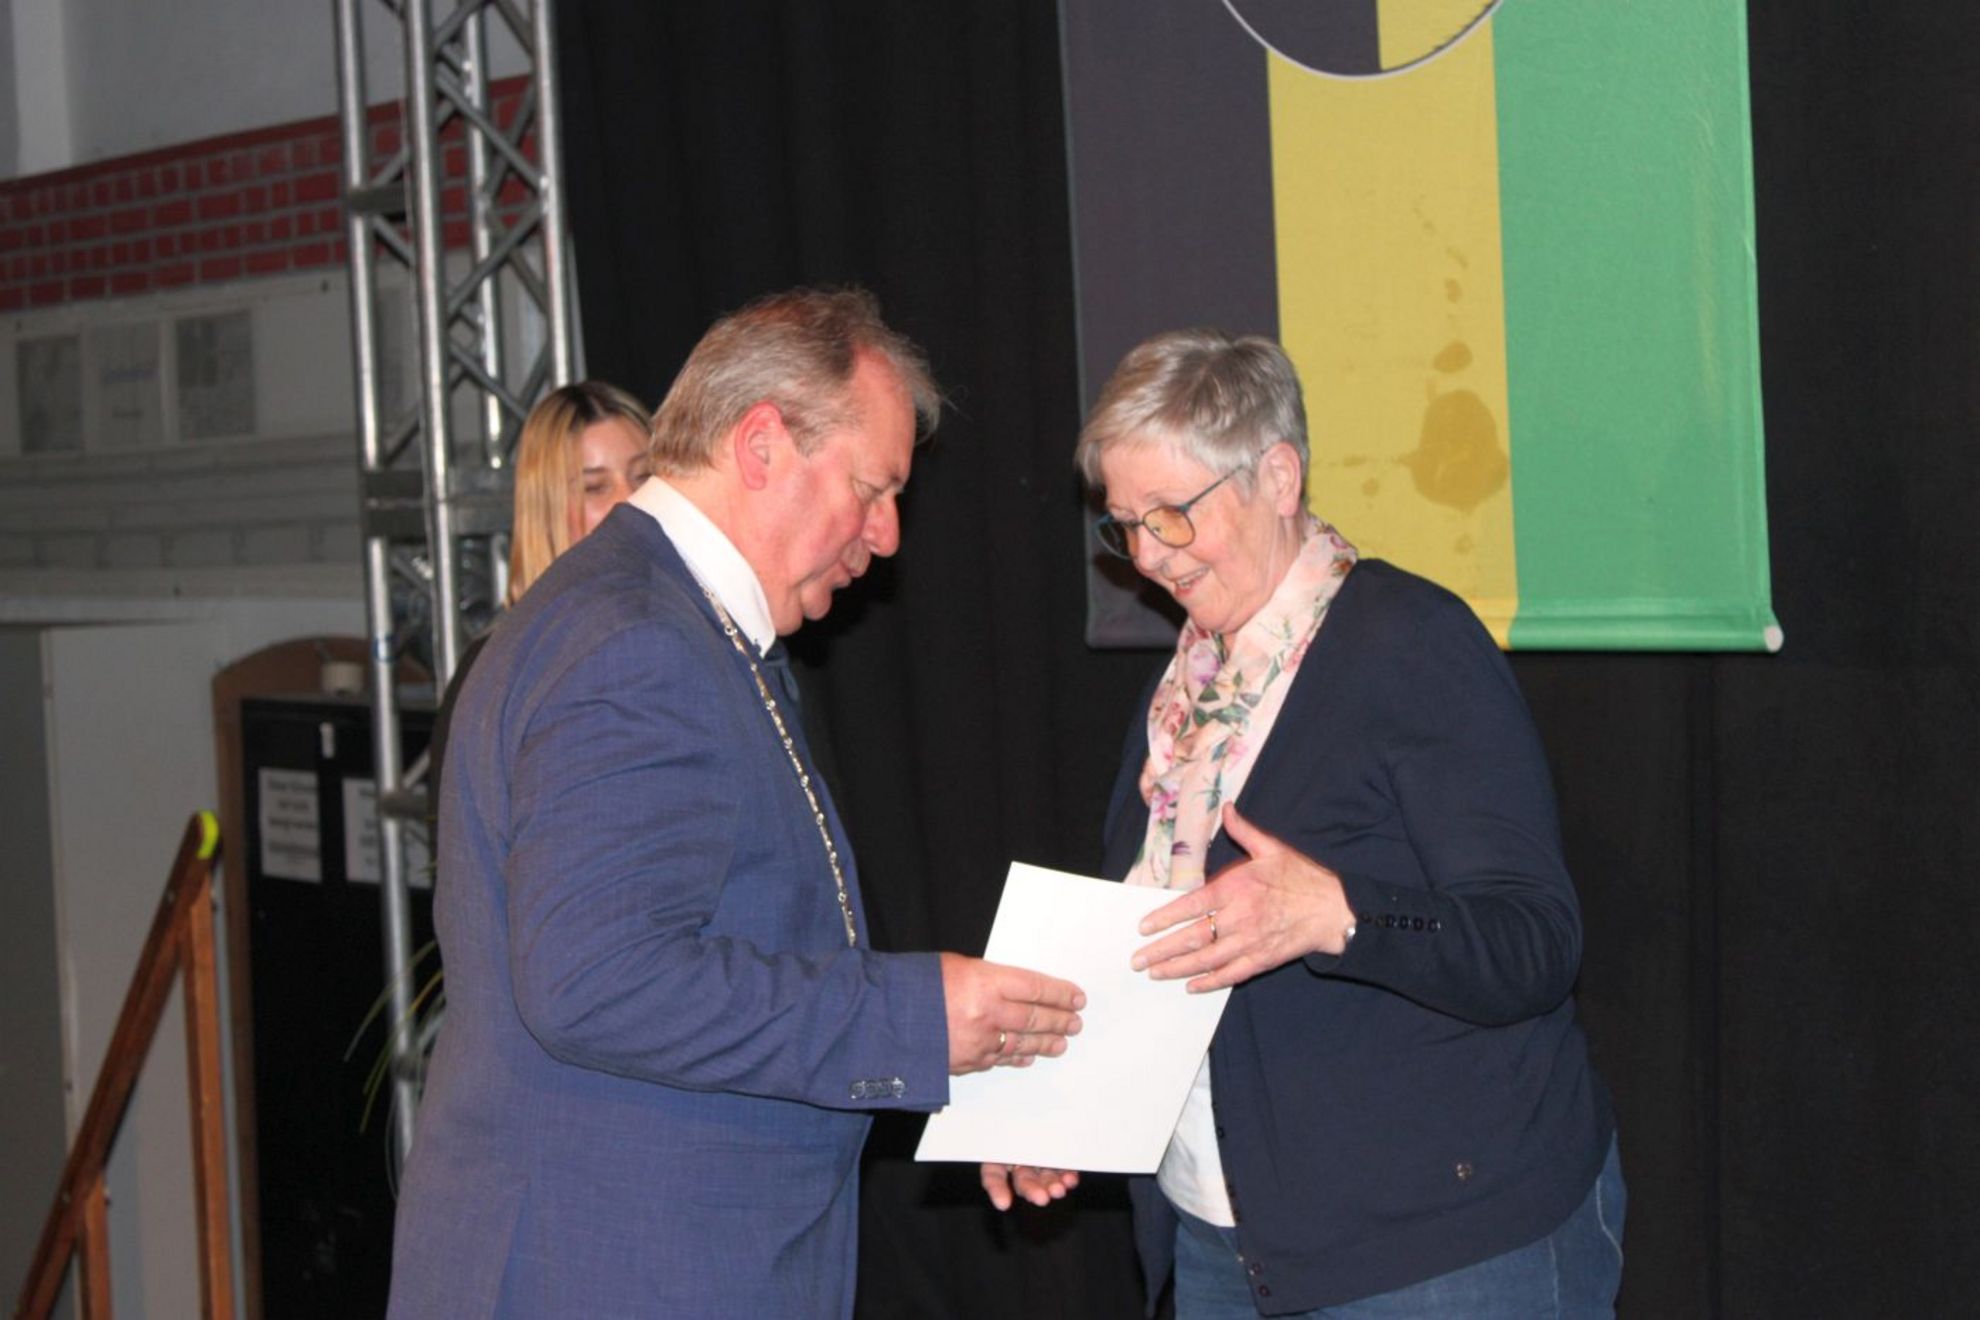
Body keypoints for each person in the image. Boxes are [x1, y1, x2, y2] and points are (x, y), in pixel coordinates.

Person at [388, 287, 1086, 1319]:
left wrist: (963, 1056)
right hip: (617, 1273)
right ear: (760, 446)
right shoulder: (640, 643)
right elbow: (599, 981)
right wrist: (911, 1020)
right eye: (871, 488)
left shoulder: (669, 623)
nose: (888, 534)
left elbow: (734, 950)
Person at [981, 328, 1622, 1316]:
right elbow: (1147, 947)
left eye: (1173, 515)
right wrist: (1052, 1105)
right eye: (1125, 524)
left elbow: (1535, 943)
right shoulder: (1184, 698)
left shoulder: (1409, 644)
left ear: (1278, 478)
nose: (1146, 555)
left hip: (1438, 1251)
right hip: (1221, 1245)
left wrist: (1339, 914)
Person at [427, 380, 652, 804]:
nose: (631, 500)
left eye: (643, 476)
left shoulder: (690, 629)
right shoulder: (502, 666)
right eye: (595, 487)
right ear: (546, 508)